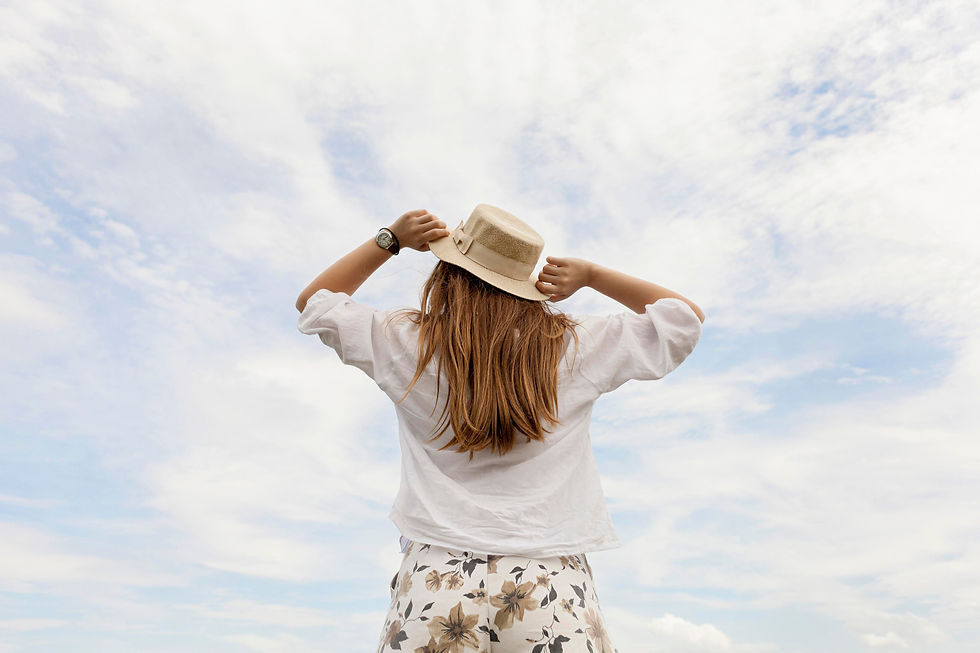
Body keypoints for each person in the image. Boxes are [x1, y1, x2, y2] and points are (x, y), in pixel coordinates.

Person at [296, 204, 704, 653]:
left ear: (446, 274)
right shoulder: (573, 345)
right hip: (550, 579)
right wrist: (591, 275)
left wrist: (389, 240)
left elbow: (315, 302)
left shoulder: (406, 340)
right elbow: (684, 317)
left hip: (437, 576)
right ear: (524, 283)